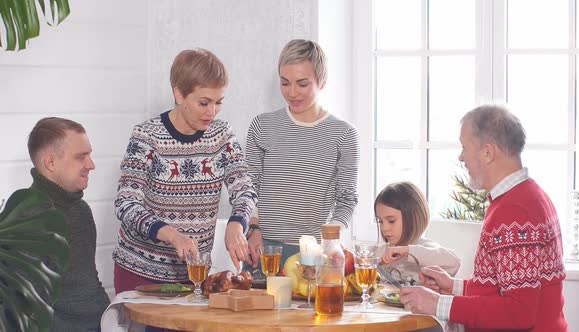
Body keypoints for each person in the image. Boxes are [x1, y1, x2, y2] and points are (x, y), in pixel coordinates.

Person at [399, 105, 568, 331]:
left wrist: (438, 304)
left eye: (464, 146)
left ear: (487, 153)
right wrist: (455, 287)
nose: (460, 157)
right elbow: (504, 288)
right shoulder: (524, 196)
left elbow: (519, 313)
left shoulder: (515, 211)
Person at [112, 48, 257, 293]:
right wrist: (172, 235)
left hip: (193, 276)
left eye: (218, 102)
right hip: (140, 272)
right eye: (203, 102)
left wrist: (237, 223)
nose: (211, 112)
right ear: (179, 94)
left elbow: (245, 190)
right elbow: (126, 203)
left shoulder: (222, 136)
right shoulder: (146, 137)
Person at [245, 39, 360, 269]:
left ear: (322, 81)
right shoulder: (262, 126)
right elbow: (249, 187)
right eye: (285, 83)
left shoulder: (344, 134)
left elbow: (347, 199)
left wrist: (331, 241)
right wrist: (253, 229)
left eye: (302, 84)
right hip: (263, 249)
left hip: (312, 254)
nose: (292, 93)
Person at [27, 117, 110, 331]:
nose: (91, 165)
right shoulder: (26, 218)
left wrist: (111, 319)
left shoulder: (80, 210)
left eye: (89, 155)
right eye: (81, 157)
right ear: (51, 162)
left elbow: (88, 283)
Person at [376, 181, 461, 286]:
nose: (384, 228)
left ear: (413, 218)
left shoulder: (425, 248)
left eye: (391, 221)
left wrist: (407, 250)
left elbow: (454, 262)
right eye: (380, 221)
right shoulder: (381, 252)